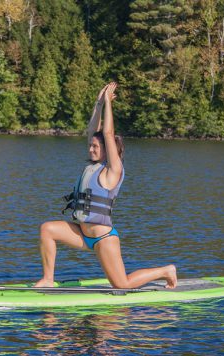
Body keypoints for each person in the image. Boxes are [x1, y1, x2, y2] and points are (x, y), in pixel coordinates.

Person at [34, 82, 177, 289]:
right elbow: (95, 129)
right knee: (47, 229)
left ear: (108, 151)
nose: (90, 149)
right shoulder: (92, 166)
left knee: (122, 285)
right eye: (90, 145)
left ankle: (166, 271)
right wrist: (98, 103)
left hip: (103, 238)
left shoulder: (112, 172)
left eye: (95, 147)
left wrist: (109, 103)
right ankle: (48, 279)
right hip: (82, 234)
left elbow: (107, 134)